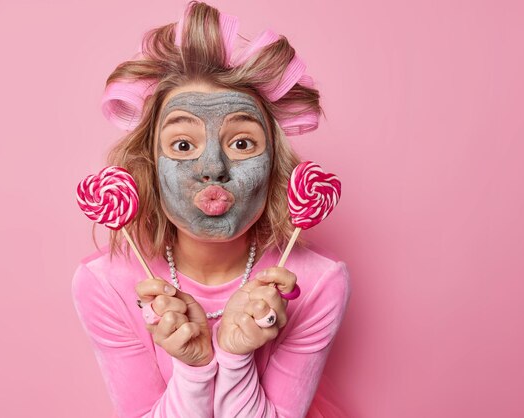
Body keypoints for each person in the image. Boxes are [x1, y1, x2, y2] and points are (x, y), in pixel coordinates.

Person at [71, 2, 351, 417]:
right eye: (183, 145)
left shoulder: (317, 281)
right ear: (150, 164)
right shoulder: (105, 282)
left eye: (242, 143)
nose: (213, 169)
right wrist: (194, 366)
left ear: (275, 165)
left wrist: (236, 359)